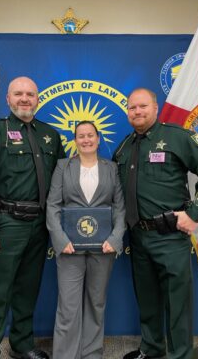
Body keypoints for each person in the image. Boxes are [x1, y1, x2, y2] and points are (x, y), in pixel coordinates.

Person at [113, 88, 198, 359]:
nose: (137, 112)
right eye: (132, 108)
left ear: (155, 107)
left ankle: (180, 354)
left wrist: (195, 213)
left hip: (170, 236)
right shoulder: (125, 147)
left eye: (142, 106)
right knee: (147, 299)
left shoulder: (177, 137)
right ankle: (151, 348)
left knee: (177, 303)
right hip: (138, 237)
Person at [0, 76, 65, 359]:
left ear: (38, 99)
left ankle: (22, 345)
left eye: (30, 94)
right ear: (8, 99)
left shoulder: (50, 135)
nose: (25, 99)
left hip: (40, 225)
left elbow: (61, 181)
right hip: (7, 223)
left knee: (27, 289)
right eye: (18, 94)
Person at [46, 120, 126, 359]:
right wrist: (60, 241)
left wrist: (115, 238)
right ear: (75, 140)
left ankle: (92, 352)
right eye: (81, 136)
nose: (86, 140)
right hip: (70, 248)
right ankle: (65, 355)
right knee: (68, 306)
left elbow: (119, 208)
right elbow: (53, 206)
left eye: (90, 135)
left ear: (98, 138)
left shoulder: (111, 168)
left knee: (96, 303)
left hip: (104, 248)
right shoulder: (63, 166)